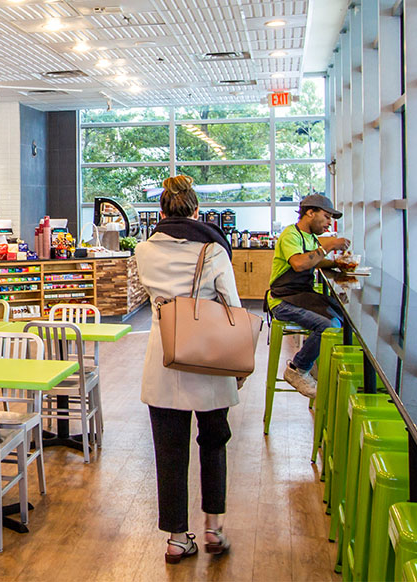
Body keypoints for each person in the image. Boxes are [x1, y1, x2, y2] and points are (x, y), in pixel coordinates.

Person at [134, 175, 242, 564]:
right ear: (197, 211)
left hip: (164, 360)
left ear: (161, 212)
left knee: (169, 451)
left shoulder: (144, 250)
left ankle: (177, 538)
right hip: (209, 362)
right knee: (213, 443)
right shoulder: (213, 251)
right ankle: (213, 528)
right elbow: (231, 303)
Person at [267, 193, 350, 398]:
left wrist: (337, 264)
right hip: (282, 300)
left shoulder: (310, 238)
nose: (329, 223)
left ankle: (315, 365)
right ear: (310, 213)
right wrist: (328, 245)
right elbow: (299, 263)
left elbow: (312, 260)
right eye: (327, 216)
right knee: (329, 325)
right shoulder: (291, 235)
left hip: (299, 295)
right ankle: (298, 368)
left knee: (340, 314)